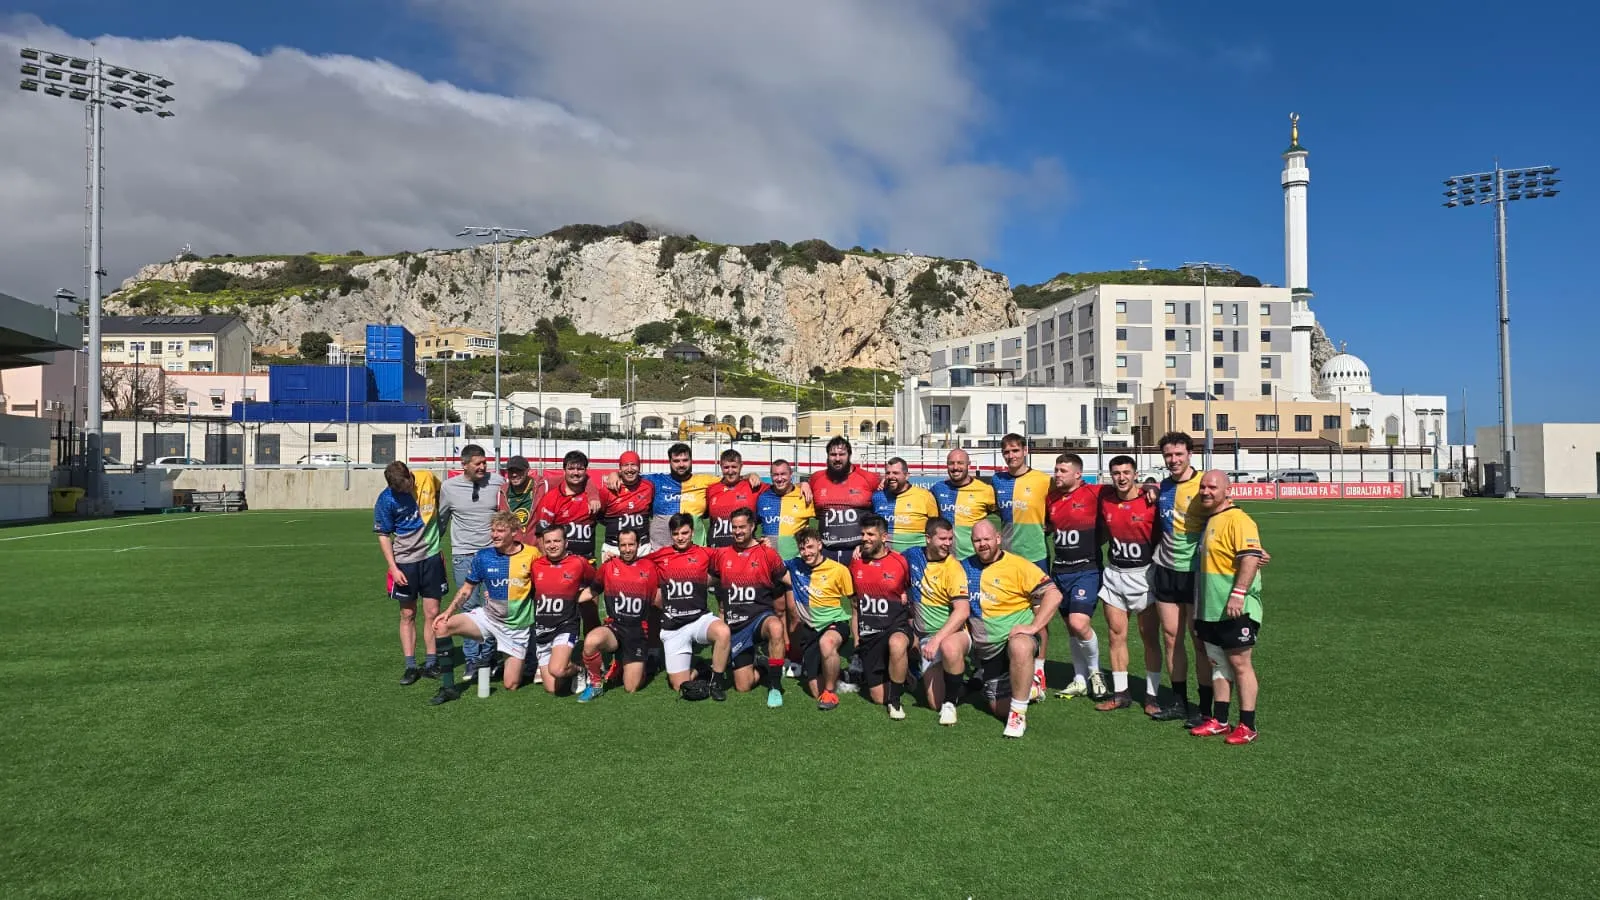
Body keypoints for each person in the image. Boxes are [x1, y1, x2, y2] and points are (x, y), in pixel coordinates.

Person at [963, 520, 1062, 738]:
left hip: (1015, 639)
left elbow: (1054, 594)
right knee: (997, 707)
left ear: (998, 538)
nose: (982, 544)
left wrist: (1034, 626)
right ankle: (1030, 689)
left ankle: (1018, 717)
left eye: (987, 539)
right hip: (989, 650)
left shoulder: (1018, 565)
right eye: (977, 540)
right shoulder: (964, 566)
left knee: (1019, 645)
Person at [1187, 471, 1265, 745]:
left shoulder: (1239, 519)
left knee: (1240, 664)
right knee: (1218, 663)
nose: (1206, 491)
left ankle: (1247, 725)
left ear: (1228, 490)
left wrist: (1239, 594)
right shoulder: (1212, 520)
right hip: (1210, 607)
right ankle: (1220, 720)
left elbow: (1251, 556)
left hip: (1235, 607)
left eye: (1213, 487)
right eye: (1203, 487)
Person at [432, 511, 539, 696]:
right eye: (492, 530)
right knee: (442, 626)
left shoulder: (532, 554)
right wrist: (447, 612)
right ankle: (448, 687)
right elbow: (466, 589)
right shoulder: (483, 556)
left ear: (514, 532)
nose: (494, 535)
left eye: (500, 530)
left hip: (516, 627)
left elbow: (542, 585)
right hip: (488, 618)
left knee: (511, 684)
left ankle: (523, 662)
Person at [1148, 431, 1211, 725]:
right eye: (1168, 456)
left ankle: (1206, 706)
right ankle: (1178, 702)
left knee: (1199, 641)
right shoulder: (1162, 487)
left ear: (1190, 455)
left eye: (1178, 455)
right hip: (1165, 570)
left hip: (1196, 574)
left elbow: (1227, 518)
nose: (1173, 460)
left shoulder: (1204, 486)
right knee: (1171, 638)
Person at [1094, 455, 1165, 715]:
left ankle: (1152, 696)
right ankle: (1121, 693)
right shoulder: (1106, 499)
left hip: (1144, 576)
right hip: (1114, 575)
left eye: (1126, 472)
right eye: (1116, 473)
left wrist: (1153, 489)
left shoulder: (1151, 501)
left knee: (1149, 638)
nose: (1121, 477)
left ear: (1135, 474)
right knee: (1116, 635)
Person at [373, 461, 450, 691]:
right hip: (404, 563)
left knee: (433, 613)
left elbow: (441, 494)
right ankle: (410, 665)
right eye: (397, 489)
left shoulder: (427, 477)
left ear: (410, 476)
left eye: (405, 485)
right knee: (407, 613)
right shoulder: (385, 499)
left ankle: (432, 661)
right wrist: (393, 568)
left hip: (432, 556)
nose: (403, 491)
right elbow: (384, 535)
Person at [991, 434, 1054, 698]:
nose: (1011, 456)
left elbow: (1061, 503)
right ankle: (1008, 666)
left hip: (1035, 556)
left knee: (1039, 615)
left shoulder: (1043, 480)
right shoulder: (997, 481)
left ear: (1025, 451)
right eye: (1006, 452)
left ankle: (1038, 671)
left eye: (1015, 450)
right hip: (1007, 559)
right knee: (1007, 610)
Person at [711, 507, 791, 706]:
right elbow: (706, 580)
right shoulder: (722, 554)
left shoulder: (767, 553)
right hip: (736, 627)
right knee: (743, 686)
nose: (738, 531)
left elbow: (789, 580)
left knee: (775, 627)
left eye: (742, 527)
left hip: (760, 618)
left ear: (753, 526)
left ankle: (774, 686)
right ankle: (763, 665)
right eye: (734, 527)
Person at [438, 444, 506, 680]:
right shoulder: (448, 487)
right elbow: (441, 520)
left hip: (493, 555)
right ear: (464, 465)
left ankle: (487, 658)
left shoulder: (497, 482)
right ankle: (471, 660)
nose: (483, 467)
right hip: (464, 555)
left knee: (493, 608)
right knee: (468, 607)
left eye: (484, 462)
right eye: (477, 463)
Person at [648, 512, 732, 700]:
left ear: (692, 532)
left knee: (723, 631)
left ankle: (716, 682)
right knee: (680, 686)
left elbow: (732, 555)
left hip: (699, 619)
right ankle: (701, 667)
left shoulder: (705, 553)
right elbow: (637, 566)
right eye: (676, 533)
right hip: (673, 627)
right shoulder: (660, 556)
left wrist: (758, 545)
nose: (680, 537)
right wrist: (615, 558)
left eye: (684, 533)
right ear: (671, 534)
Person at [1046, 453, 1108, 701]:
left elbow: (1126, 490)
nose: (1057, 474)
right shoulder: (1051, 498)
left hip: (1086, 569)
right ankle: (1079, 679)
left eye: (1062, 470)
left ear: (1078, 474)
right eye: (1056, 470)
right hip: (1060, 570)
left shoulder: (1096, 493)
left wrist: (1148, 487)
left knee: (1079, 623)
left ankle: (1095, 673)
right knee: (1072, 629)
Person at [578, 526, 659, 701]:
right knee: (591, 641)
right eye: (623, 545)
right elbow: (592, 590)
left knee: (631, 687)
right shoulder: (609, 567)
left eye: (631, 544)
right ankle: (596, 685)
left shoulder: (650, 567)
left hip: (638, 631)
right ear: (618, 546)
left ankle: (628, 661)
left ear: (638, 545)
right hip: (615, 627)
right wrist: (571, 602)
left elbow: (658, 599)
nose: (627, 549)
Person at [904, 517, 971, 726]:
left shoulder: (954, 568)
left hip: (953, 634)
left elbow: (962, 611)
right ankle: (957, 683)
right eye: (942, 538)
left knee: (949, 648)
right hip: (925, 637)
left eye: (950, 539)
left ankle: (951, 704)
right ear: (928, 539)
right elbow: (889, 560)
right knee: (934, 702)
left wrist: (937, 640)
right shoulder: (913, 555)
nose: (948, 543)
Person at [849, 515, 915, 720]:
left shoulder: (900, 562)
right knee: (878, 697)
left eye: (871, 534)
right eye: (862, 534)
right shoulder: (856, 563)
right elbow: (855, 608)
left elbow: (909, 593)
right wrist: (857, 643)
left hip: (895, 626)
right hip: (870, 635)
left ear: (884, 537)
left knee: (897, 643)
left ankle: (895, 701)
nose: (865, 538)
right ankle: (901, 674)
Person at [784, 527, 854, 709]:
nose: (807, 553)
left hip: (835, 624)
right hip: (810, 630)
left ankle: (831, 694)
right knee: (815, 691)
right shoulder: (794, 566)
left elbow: (855, 605)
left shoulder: (839, 570)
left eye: (810, 547)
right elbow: (772, 565)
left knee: (827, 643)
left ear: (820, 545)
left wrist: (858, 639)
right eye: (802, 549)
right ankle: (841, 675)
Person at [529, 524, 601, 694]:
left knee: (558, 670)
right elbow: (530, 591)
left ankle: (581, 671)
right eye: (548, 542)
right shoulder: (536, 565)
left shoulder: (578, 563)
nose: (552, 545)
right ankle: (573, 667)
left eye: (557, 541)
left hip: (566, 625)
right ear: (543, 544)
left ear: (566, 543)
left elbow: (597, 581)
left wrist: (583, 597)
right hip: (542, 629)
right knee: (552, 688)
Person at [807, 436, 881, 564]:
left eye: (842, 454)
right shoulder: (816, 479)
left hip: (858, 552)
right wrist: (803, 484)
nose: (837, 458)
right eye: (833, 454)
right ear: (827, 456)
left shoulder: (869, 478)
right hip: (825, 552)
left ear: (849, 455)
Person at [631, 442, 719, 548]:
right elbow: (630, 476)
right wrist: (616, 475)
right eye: (676, 461)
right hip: (659, 550)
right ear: (670, 462)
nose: (681, 465)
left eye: (685, 460)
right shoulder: (657, 481)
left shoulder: (705, 481)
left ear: (691, 461)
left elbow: (736, 478)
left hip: (695, 552)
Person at [929, 448, 999, 560]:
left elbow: (1001, 516)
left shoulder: (985, 490)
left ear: (968, 465)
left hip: (974, 558)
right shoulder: (938, 489)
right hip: (945, 559)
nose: (955, 467)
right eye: (951, 463)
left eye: (960, 463)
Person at [871, 456, 941, 552]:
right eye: (888, 473)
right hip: (886, 558)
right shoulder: (878, 497)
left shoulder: (925, 496)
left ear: (907, 475)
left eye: (895, 473)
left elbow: (936, 528)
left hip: (916, 558)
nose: (891, 476)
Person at [705, 448, 768, 548]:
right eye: (726, 467)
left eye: (734, 467)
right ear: (720, 466)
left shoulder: (753, 486)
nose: (730, 471)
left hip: (745, 552)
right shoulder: (711, 489)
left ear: (741, 466)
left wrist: (802, 484)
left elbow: (781, 488)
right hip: (717, 551)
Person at [755, 458, 814, 561]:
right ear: (771, 476)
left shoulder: (804, 495)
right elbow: (751, 526)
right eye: (775, 475)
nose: (779, 478)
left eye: (783, 474)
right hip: (768, 560)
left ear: (791, 474)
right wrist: (756, 541)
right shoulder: (763, 498)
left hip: (797, 561)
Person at [598, 450, 655, 558]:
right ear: (620, 469)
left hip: (642, 548)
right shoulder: (607, 490)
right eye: (625, 465)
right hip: (613, 549)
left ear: (639, 467)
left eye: (633, 465)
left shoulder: (648, 487)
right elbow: (599, 516)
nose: (629, 469)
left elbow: (651, 510)